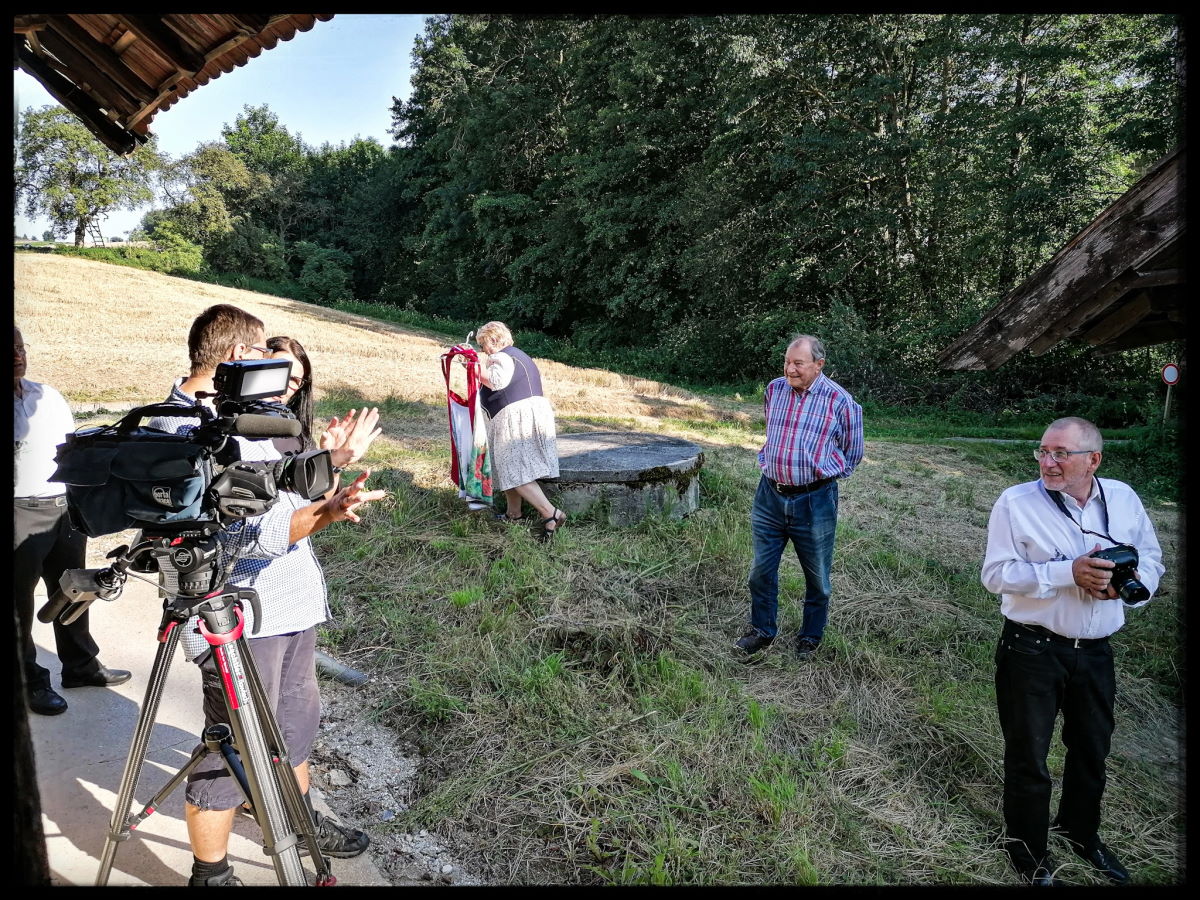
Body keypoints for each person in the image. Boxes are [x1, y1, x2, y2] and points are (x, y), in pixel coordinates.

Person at [149, 305, 386, 886]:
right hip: (235, 619)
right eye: (263, 361)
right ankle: (212, 872)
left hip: (288, 607)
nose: (277, 377)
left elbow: (280, 496)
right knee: (226, 750)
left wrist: (326, 470)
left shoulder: (244, 419)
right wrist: (328, 510)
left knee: (294, 725)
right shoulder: (185, 429)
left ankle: (300, 821)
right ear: (234, 360)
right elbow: (251, 534)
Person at [982, 416, 1163, 886]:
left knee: (1091, 751)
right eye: (1043, 451)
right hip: (1032, 649)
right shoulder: (1016, 502)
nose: (1048, 462)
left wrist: (1134, 584)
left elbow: (1151, 556)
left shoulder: (1123, 498)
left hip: (1098, 650)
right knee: (1030, 756)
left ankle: (1081, 834)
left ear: (1093, 460)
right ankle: (1028, 854)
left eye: (1061, 454)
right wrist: (1068, 573)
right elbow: (996, 574)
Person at [14, 324, 130, 716]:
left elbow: (72, 446)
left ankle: (80, 667)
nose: (17, 354)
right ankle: (29, 681)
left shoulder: (46, 396)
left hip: (63, 506)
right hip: (17, 511)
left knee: (73, 590)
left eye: (19, 346)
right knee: (18, 604)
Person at [737, 334, 864, 660]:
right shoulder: (774, 389)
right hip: (769, 496)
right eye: (787, 362)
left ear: (819, 365)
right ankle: (762, 631)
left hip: (814, 501)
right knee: (761, 572)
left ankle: (810, 636)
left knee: (817, 577)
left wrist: (820, 476)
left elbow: (853, 453)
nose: (790, 370)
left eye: (798, 363)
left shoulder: (841, 402)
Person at [267, 334, 379, 687]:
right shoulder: (239, 431)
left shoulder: (293, 430)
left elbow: (317, 499)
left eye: (297, 381)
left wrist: (332, 461)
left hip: (289, 582)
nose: (288, 386)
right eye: (281, 370)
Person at [473, 321, 565, 541]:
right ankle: (514, 514)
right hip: (527, 412)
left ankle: (551, 514)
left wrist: (474, 367)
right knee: (509, 468)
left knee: (516, 471)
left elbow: (495, 381)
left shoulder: (502, 356)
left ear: (494, 340)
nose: (483, 350)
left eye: (483, 344)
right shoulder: (518, 355)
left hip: (516, 416)